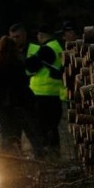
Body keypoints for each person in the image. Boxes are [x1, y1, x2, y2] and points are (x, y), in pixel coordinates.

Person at [0, 35, 43, 156]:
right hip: (19, 101)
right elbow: (23, 83)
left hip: (1, 104)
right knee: (27, 130)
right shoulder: (18, 64)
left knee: (7, 134)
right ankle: (37, 155)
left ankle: (9, 158)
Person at [24, 23, 66, 156]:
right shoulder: (58, 46)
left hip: (42, 94)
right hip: (55, 93)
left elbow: (31, 66)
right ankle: (55, 154)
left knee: (41, 129)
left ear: (41, 35)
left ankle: (45, 156)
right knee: (52, 128)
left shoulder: (46, 49)